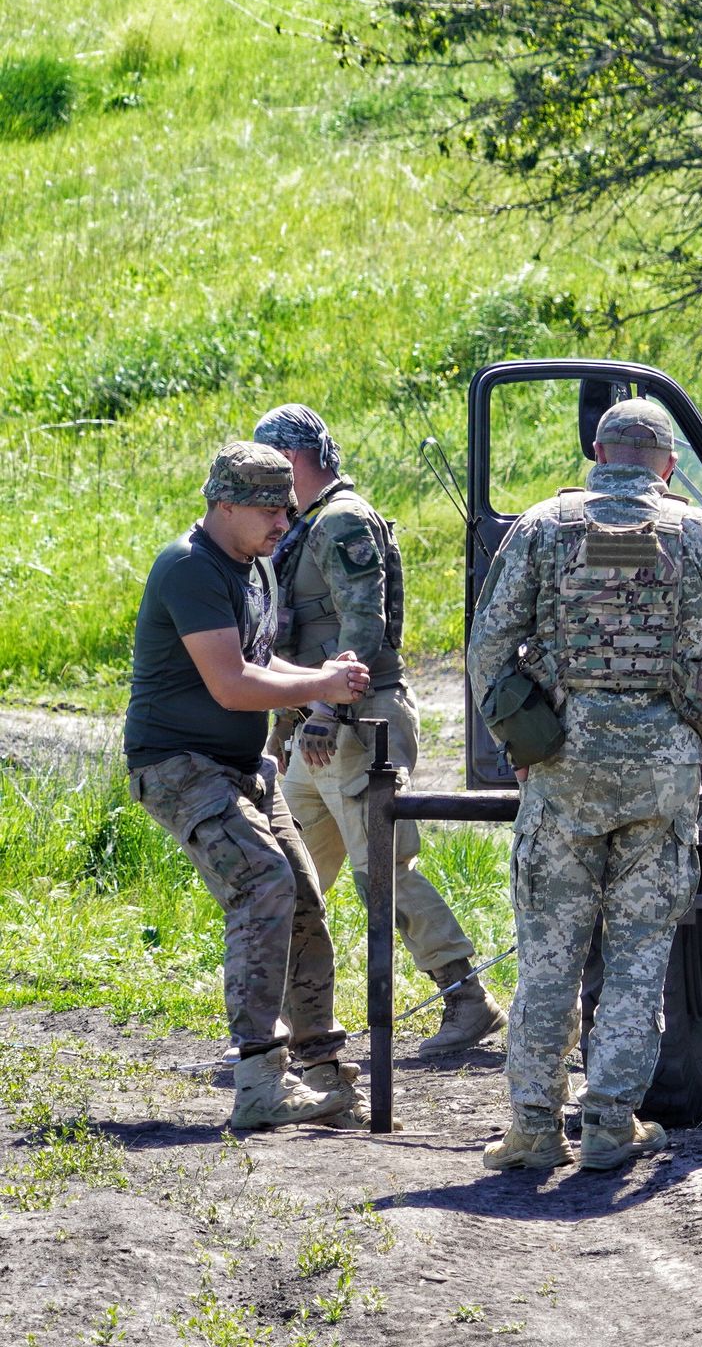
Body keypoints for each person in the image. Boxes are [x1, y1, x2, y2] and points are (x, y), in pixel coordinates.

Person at [466, 398, 702, 1172]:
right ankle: (609, 1123)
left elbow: (487, 651)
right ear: (668, 465)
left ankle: (534, 1128)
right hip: (662, 779)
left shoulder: (541, 528)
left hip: (564, 773)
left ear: (597, 453)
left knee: (549, 957)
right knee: (640, 956)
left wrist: (522, 738)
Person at [124, 443, 374, 1129]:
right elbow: (233, 685)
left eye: (288, 508)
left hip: (237, 769)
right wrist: (320, 685)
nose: (282, 522)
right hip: (175, 764)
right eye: (267, 509)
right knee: (262, 881)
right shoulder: (189, 569)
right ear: (222, 504)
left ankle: (324, 1072)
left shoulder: (252, 566)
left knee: (302, 897)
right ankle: (260, 1077)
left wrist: (319, 679)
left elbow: (261, 661)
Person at [252, 405, 507, 1057]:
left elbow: (361, 626)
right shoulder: (311, 525)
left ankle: (464, 996)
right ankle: (288, 1025)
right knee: (291, 875)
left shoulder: (341, 521)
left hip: (353, 721)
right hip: (318, 725)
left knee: (381, 872)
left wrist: (329, 711)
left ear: (295, 460)